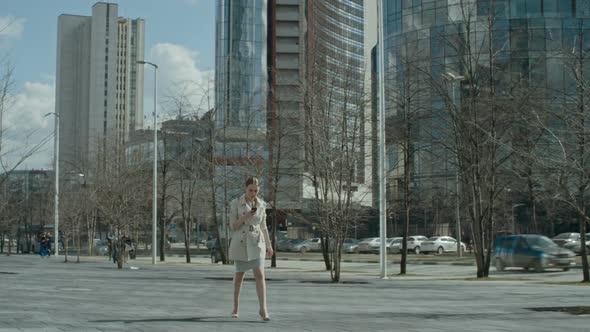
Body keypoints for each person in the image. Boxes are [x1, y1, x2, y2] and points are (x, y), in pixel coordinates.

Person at [228, 177, 273, 321]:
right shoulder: (235, 203)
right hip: (241, 242)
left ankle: (263, 309)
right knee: (239, 277)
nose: (253, 193)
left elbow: (263, 226)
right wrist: (246, 216)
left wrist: (269, 245)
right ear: (245, 189)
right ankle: (235, 307)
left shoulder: (261, 204)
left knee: (260, 275)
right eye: (250, 190)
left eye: (256, 190)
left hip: (256, 242)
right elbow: (233, 226)